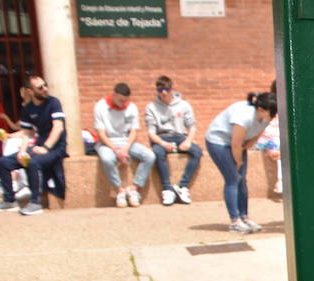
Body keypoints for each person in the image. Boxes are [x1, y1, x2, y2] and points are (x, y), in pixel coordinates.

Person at [204, 91, 276, 234]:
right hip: (219, 142)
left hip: (238, 144)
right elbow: (235, 145)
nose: (272, 117)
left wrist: (245, 149)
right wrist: (237, 162)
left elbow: (255, 136)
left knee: (242, 180)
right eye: (271, 114)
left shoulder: (266, 117)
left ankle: (244, 217)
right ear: (261, 109)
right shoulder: (243, 117)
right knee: (233, 179)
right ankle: (234, 222)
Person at [0, 75, 66, 216]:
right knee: (3, 162)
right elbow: (27, 133)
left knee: (33, 163)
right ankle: (9, 200)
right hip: (36, 147)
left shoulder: (53, 103)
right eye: (40, 87)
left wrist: (46, 148)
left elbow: (58, 127)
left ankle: (35, 202)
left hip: (55, 148)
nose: (45, 89)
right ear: (30, 91)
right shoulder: (28, 109)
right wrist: (22, 152)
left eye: (45, 85)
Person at [93, 82, 155, 208]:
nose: (124, 104)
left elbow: (133, 132)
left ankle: (134, 188)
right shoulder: (100, 107)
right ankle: (119, 191)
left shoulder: (131, 107)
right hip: (107, 143)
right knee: (107, 159)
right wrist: (116, 150)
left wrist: (125, 147)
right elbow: (101, 134)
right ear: (114, 95)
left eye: (126, 101)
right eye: (121, 100)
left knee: (149, 156)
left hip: (127, 142)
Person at [144, 75, 202, 205]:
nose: (163, 93)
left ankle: (182, 187)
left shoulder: (183, 105)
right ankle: (167, 189)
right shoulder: (151, 107)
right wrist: (163, 143)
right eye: (160, 90)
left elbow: (192, 126)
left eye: (166, 89)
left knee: (197, 151)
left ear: (171, 89)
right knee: (158, 153)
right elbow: (151, 133)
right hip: (161, 137)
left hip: (180, 136)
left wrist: (188, 141)